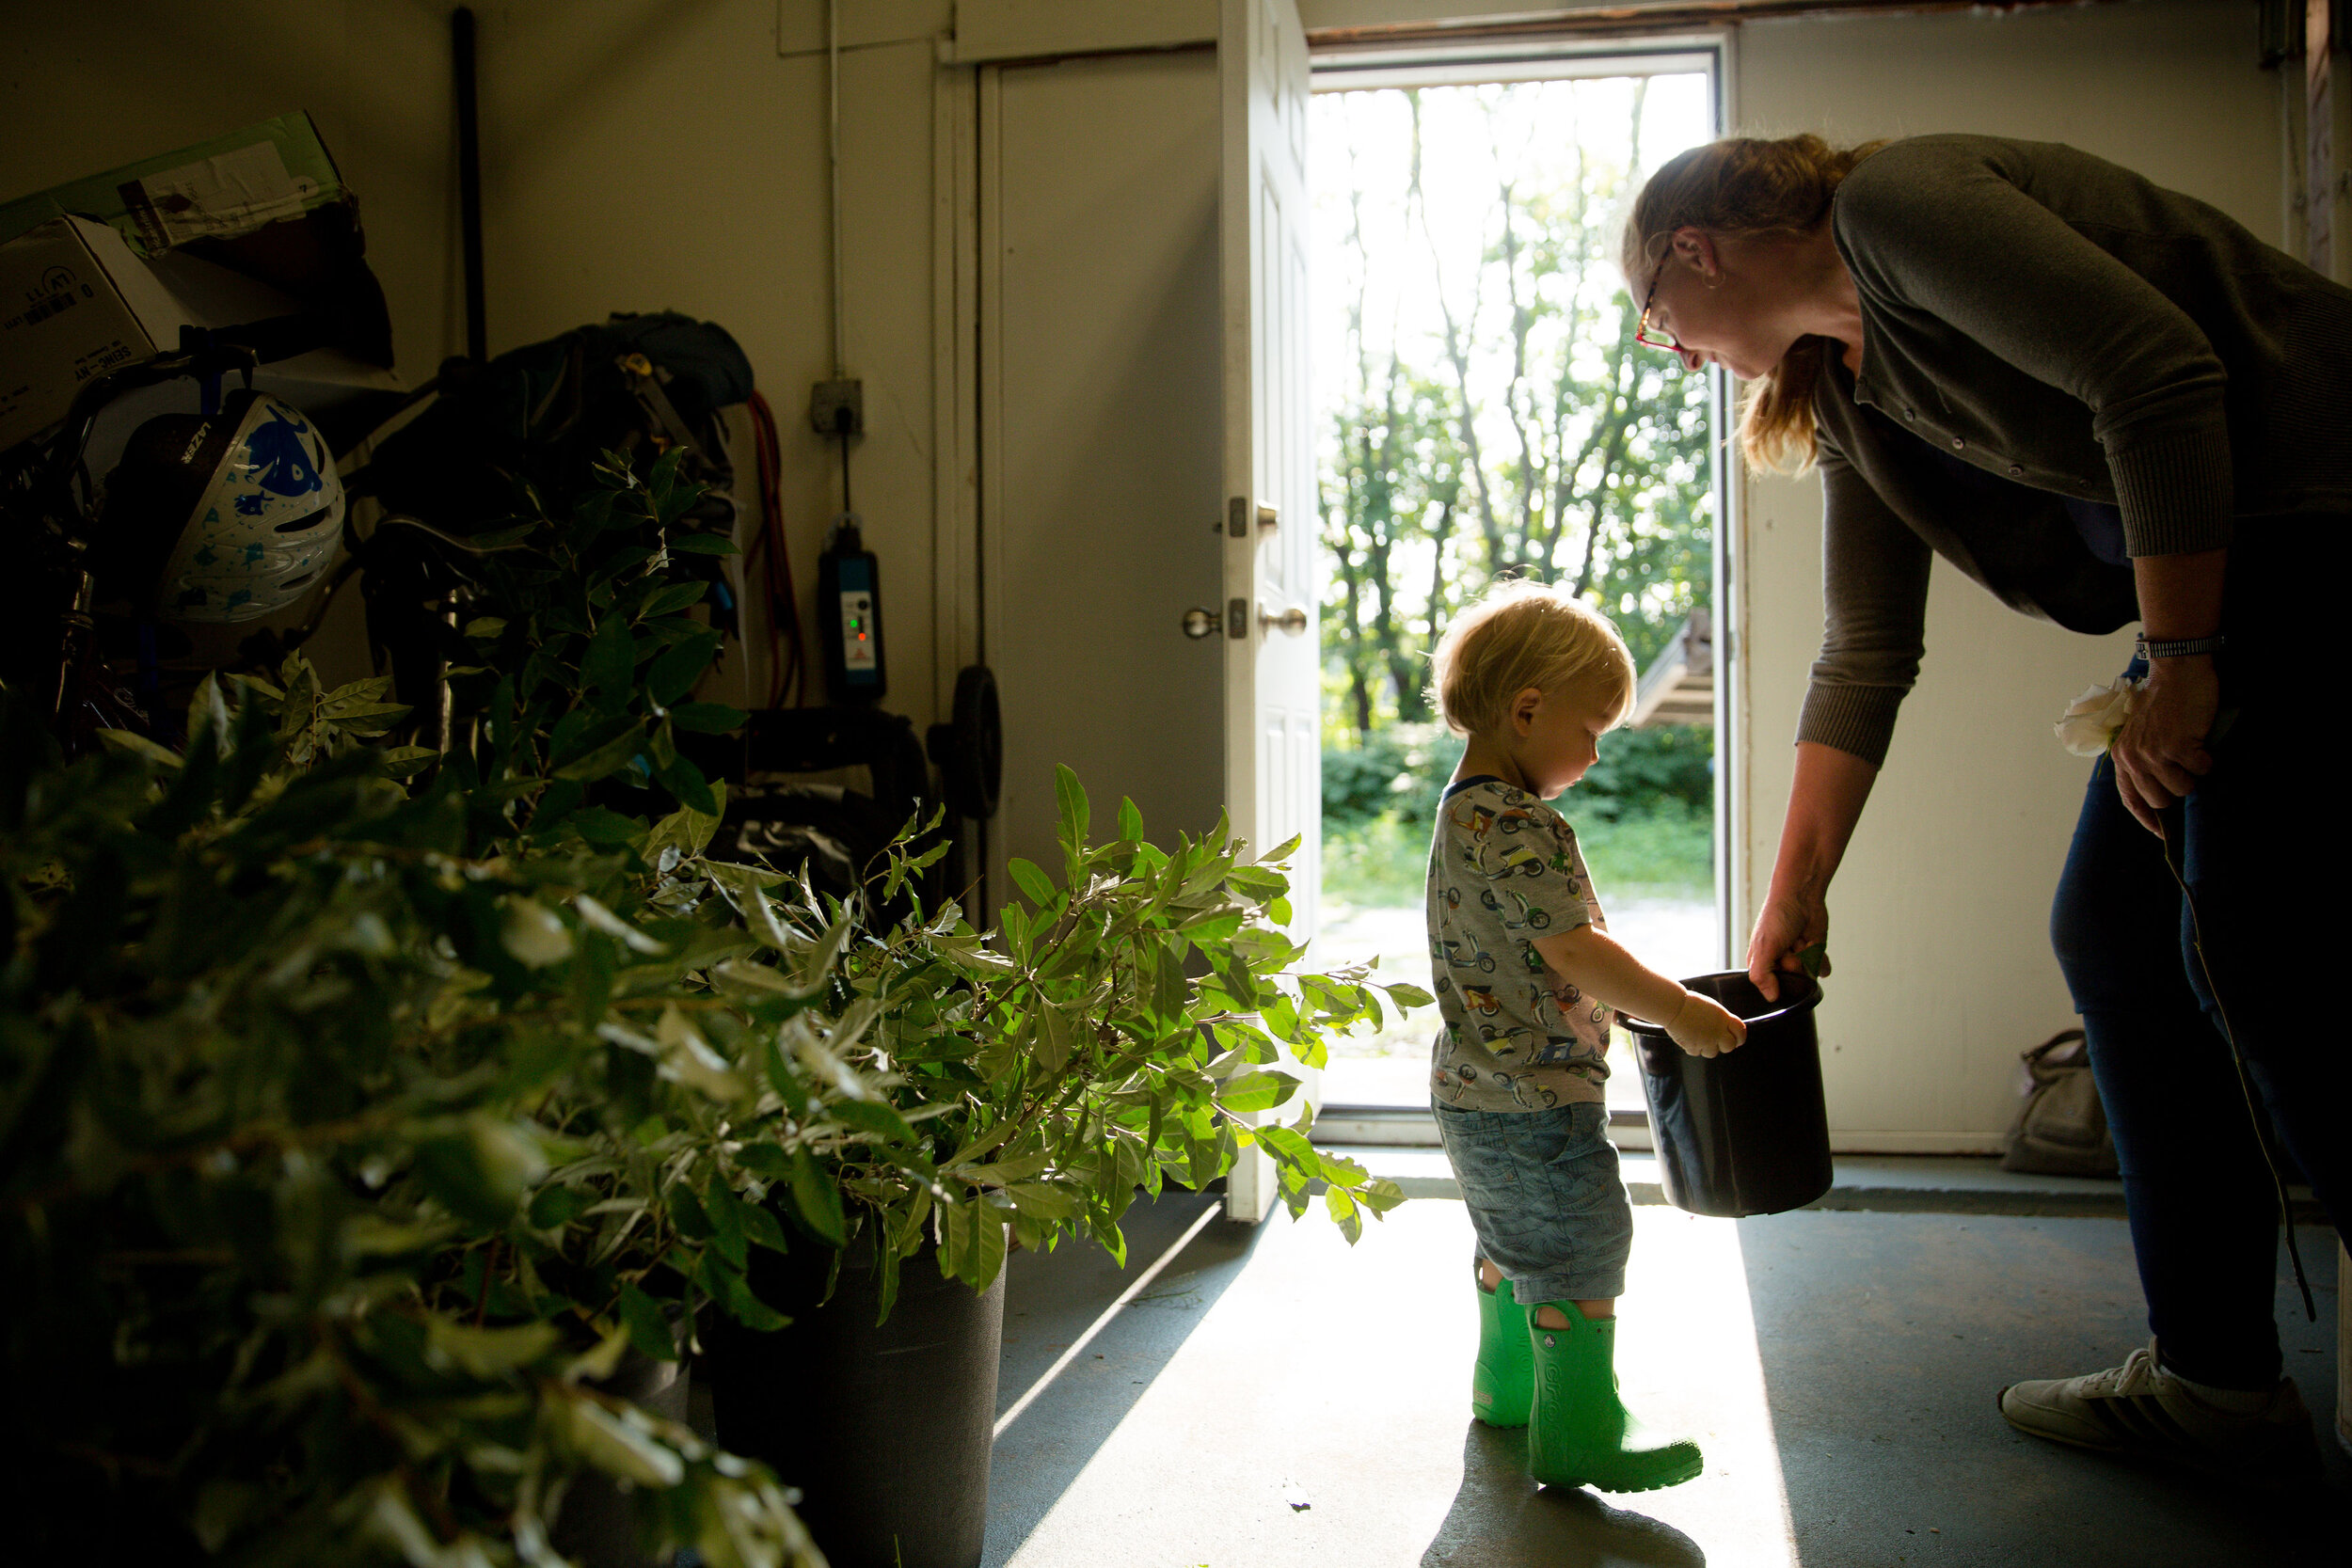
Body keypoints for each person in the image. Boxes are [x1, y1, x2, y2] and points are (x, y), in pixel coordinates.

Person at [1620, 132, 2350, 1489]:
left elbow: (2160, 372)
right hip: (2227, 603)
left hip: (2320, 538)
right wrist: (1794, 894)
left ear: (1694, 251)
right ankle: (2218, 1380)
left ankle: (2221, 1378)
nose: (1668, 349)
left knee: (2253, 952)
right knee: (2123, 940)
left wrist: (2184, 663)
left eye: (1654, 317)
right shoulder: (1848, 394)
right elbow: (1864, 651)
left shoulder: (1897, 210)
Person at [1423, 579, 1746, 1493]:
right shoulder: (1516, 820)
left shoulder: (1462, 809)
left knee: (1508, 1231)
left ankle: (1508, 1386)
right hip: (1535, 1091)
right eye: (1591, 728)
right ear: (1527, 709)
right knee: (1580, 1237)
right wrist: (1675, 1008)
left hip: (1473, 1089)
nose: (1597, 752)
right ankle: (1580, 1428)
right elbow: (1572, 946)